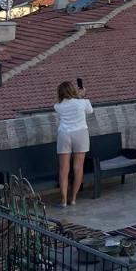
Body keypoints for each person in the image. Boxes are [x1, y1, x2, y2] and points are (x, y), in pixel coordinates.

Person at [54, 80, 93, 208]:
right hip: (81, 133)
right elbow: (90, 111)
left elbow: (67, 105)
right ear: (73, 90)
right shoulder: (83, 102)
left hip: (64, 134)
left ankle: (63, 200)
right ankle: (74, 198)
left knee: (63, 170)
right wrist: (81, 95)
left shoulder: (57, 106)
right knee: (78, 168)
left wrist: (78, 96)